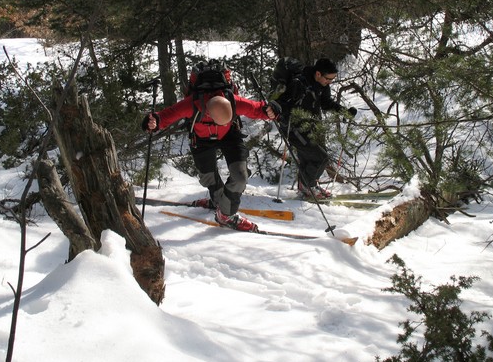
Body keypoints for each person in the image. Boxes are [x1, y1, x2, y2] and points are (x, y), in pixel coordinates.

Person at [143, 90, 280, 232]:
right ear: (208, 113)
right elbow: (167, 115)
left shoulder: (234, 101)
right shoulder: (191, 104)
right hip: (201, 138)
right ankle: (218, 200)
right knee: (208, 176)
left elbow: (257, 108)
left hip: (230, 135)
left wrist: (270, 110)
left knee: (240, 176)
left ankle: (225, 215)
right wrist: (153, 122)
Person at [276, 57, 356, 199]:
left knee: (309, 159)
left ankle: (306, 185)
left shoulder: (322, 85)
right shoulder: (298, 83)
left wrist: (344, 111)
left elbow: (326, 103)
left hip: (312, 127)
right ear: (318, 74)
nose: (329, 82)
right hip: (294, 128)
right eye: (328, 79)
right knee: (321, 157)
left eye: (332, 79)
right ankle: (308, 186)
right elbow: (283, 105)